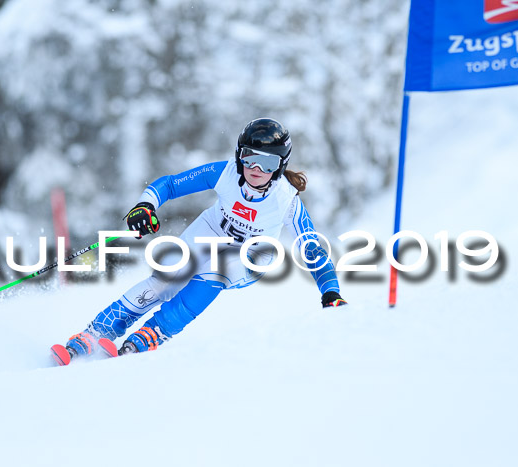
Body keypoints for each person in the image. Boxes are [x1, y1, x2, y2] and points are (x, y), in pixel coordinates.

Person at [51, 118, 347, 365]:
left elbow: (312, 248)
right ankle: (95, 332)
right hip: (212, 230)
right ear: (238, 155)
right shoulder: (225, 173)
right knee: (165, 278)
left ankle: (155, 332)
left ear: (281, 165)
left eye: (267, 163)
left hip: (251, 253)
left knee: (218, 270)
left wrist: (330, 292)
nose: (256, 168)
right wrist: (145, 206)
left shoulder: (287, 200)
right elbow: (168, 185)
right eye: (249, 157)